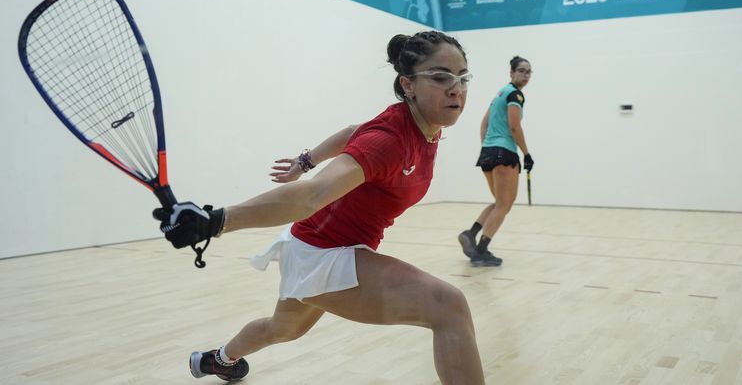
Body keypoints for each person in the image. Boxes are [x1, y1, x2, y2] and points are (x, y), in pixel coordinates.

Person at [155, 31, 485, 384]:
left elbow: (353, 131)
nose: (456, 89)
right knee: (448, 307)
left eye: (462, 78)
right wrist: (216, 221)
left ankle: (219, 359)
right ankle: (221, 356)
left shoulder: (422, 126)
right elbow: (312, 195)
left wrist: (304, 159)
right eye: (440, 77)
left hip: (315, 246)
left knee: (282, 329)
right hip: (324, 254)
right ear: (408, 85)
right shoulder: (389, 141)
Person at [458, 56, 533, 267]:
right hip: (505, 153)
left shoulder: (499, 93)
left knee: (500, 202)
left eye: (529, 72)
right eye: (521, 70)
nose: (525, 75)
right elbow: (514, 126)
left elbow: (484, 124)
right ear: (511, 72)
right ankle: (481, 251)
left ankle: (470, 234)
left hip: (488, 154)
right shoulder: (515, 95)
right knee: (504, 205)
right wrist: (526, 154)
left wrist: (487, 148)